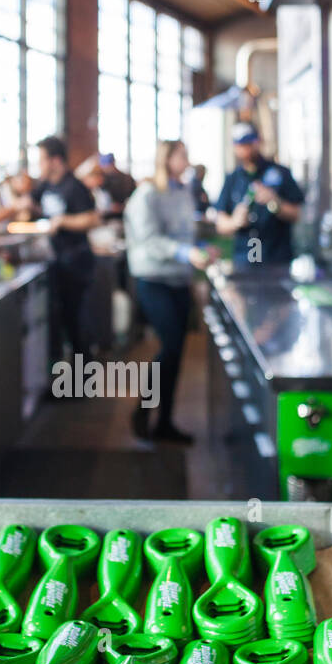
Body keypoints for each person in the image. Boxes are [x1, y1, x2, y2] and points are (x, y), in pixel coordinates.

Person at [123, 139, 211, 445]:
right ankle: (143, 411)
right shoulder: (147, 195)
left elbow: (187, 234)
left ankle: (164, 422)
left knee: (176, 353)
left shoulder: (183, 192)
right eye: (182, 155)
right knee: (170, 346)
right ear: (167, 158)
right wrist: (186, 253)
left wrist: (199, 249)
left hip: (178, 280)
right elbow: (149, 241)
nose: (187, 160)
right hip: (153, 280)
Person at [30, 135, 100, 359]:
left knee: (77, 322)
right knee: (60, 321)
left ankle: (81, 383)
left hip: (76, 262)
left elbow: (91, 219)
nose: (39, 165)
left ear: (55, 160)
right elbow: (30, 206)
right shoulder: (45, 186)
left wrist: (63, 221)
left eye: (42, 159)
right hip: (56, 261)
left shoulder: (74, 187)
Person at [215, 123, 304, 267]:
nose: (246, 150)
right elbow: (220, 224)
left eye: (249, 144)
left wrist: (274, 202)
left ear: (258, 142)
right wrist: (235, 221)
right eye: (241, 145)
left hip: (276, 259)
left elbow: (296, 214)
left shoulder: (280, 173)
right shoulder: (233, 179)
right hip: (245, 258)